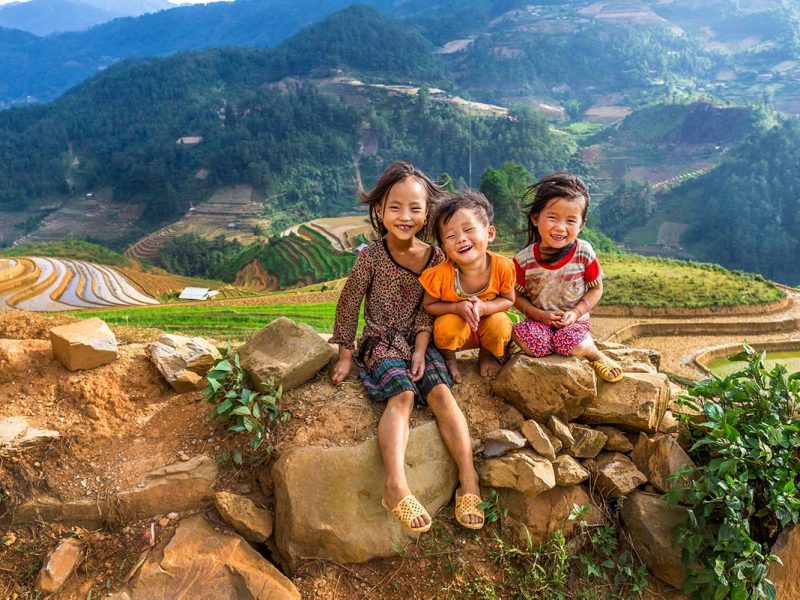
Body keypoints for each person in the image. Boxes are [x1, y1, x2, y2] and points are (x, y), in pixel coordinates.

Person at [330, 161, 484, 533]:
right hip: (380, 340)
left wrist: (421, 347)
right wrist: (346, 353)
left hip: (420, 340)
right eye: (395, 207)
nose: (404, 216)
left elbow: (429, 308)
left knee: (441, 393)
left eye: (415, 208)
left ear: (427, 213)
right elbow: (349, 302)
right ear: (379, 209)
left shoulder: (436, 258)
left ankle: (469, 479)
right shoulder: (370, 256)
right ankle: (396, 486)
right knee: (402, 395)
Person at [512, 172, 623, 383]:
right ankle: (549, 343)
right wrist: (539, 315)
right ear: (536, 218)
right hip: (539, 322)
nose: (560, 227)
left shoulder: (584, 252)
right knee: (525, 338)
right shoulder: (523, 260)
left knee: (575, 344)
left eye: (571, 220)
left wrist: (576, 313)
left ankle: (595, 355)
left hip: (574, 323)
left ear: (581, 225)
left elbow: (596, 288)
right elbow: (515, 296)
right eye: (552, 217)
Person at [420, 189, 515, 381]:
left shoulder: (503, 267)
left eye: (469, 229)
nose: (461, 239)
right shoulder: (439, 275)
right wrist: (456, 308)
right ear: (444, 247)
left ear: (490, 233)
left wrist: (485, 307)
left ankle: (487, 355)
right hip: (457, 330)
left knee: (500, 323)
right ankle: (449, 359)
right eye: (450, 236)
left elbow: (508, 299)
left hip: (487, 327)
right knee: (446, 325)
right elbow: (429, 305)